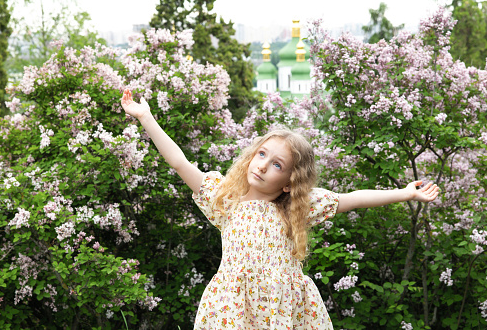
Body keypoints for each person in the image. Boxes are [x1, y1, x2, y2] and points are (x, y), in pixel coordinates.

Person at [120, 89, 439, 329]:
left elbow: (350, 198)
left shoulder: (296, 208)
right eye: (261, 155)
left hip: (283, 308)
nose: (262, 166)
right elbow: (179, 162)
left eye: (277, 164)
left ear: (289, 182)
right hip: (235, 309)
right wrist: (145, 116)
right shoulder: (226, 200)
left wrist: (405, 193)